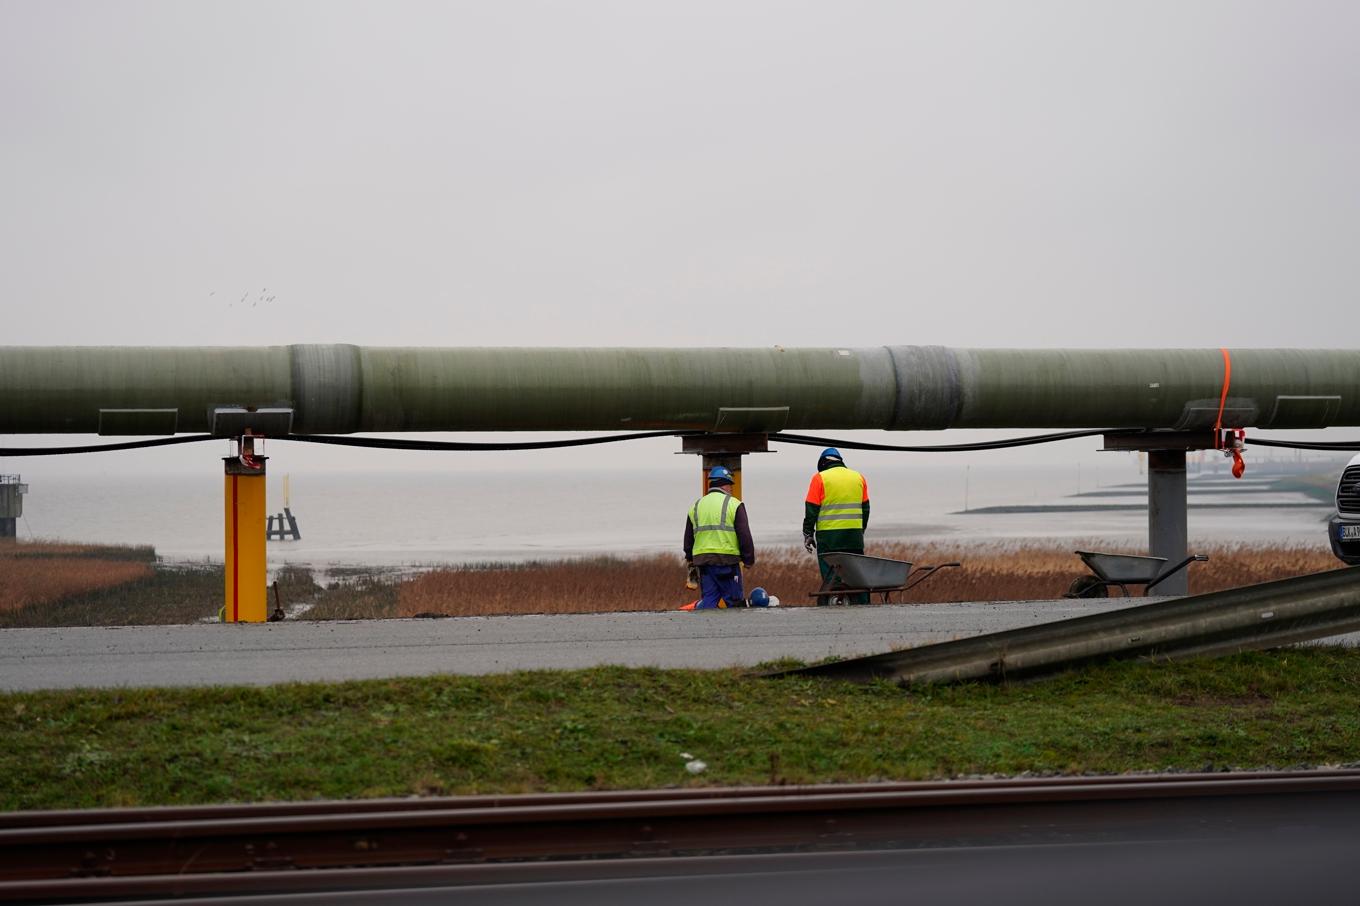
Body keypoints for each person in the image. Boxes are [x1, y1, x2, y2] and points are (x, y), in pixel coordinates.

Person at [803, 448, 870, 604]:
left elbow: (811, 509)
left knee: (831, 576)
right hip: (854, 537)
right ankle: (863, 604)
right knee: (856, 574)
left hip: (829, 538)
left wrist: (808, 533)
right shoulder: (858, 478)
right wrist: (861, 531)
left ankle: (833, 602)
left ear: (823, 463)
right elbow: (865, 508)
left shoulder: (820, 478)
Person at [683, 465, 756, 609]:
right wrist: (748, 559)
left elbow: (688, 540)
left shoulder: (696, 506)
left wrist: (690, 558)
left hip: (704, 562)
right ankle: (733, 630)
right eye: (730, 486)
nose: (731, 489)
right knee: (734, 602)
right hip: (727, 561)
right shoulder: (734, 504)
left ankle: (707, 629)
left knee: (709, 601)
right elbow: (744, 534)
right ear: (725, 485)